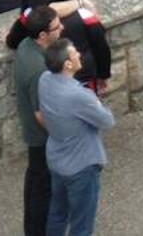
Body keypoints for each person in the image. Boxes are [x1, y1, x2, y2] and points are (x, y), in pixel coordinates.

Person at [38, 38, 115, 235]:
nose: (79, 54)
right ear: (68, 64)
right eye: (75, 53)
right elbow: (107, 121)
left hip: (57, 159)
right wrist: (96, 103)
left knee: (57, 213)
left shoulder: (45, 79)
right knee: (82, 224)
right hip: (81, 166)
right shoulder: (78, 95)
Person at [12, 5, 63, 236]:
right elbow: (41, 114)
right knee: (42, 188)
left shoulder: (25, 45)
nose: (62, 28)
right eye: (56, 26)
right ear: (42, 35)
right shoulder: (39, 70)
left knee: (35, 180)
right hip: (42, 137)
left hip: (34, 135)